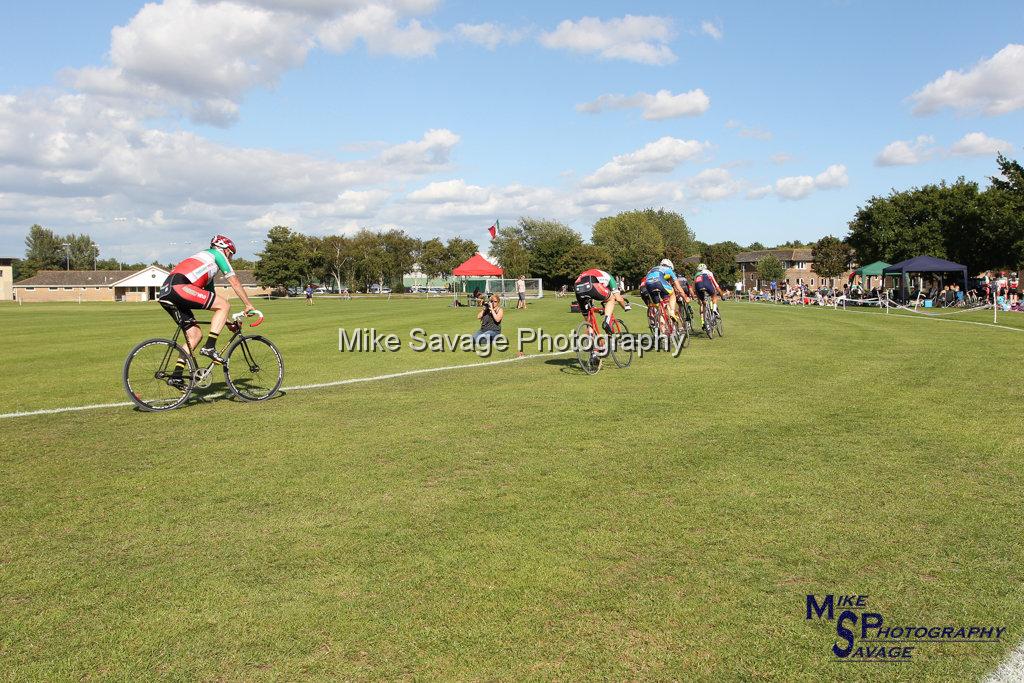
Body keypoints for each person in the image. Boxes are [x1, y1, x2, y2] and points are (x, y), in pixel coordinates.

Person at [157, 235, 256, 385]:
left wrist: (227, 323)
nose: (231, 259)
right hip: (180, 287)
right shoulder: (217, 255)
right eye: (231, 254)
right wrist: (248, 305)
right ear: (225, 250)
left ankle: (177, 375)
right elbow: (234, 282)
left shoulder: (204, 262)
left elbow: (213, 304)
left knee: (195, 335)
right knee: (225, 305)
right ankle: (210, 347)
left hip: (166, 292)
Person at [574, 268, 630, 333]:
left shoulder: (590, 272)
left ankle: (591, 340)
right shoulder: (610, 277)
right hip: (591, 284)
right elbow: (618, 298)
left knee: (589, 321)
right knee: (612, 298)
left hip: (577, 288)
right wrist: (625, 307)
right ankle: (607, 322)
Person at [643, 258, 690, 326]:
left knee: (660, 308)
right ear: (670, 266)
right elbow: (678, 286)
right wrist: (685, 297)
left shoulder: (652, 269)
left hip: (648, 285)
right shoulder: (669, 270)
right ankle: (671, 312)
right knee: (672, 294)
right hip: (659, 282)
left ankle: (663, 331)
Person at [693, 262, 725, 328]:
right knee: (714, 296)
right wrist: (722, 296)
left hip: (699, 287)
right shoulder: (709, 273)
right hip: (708, 284)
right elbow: (716, 286)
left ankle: (704, 321)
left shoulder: (696, 275)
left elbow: (694, 288)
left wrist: (698, 299)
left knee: (703, 304)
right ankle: (714, 309)